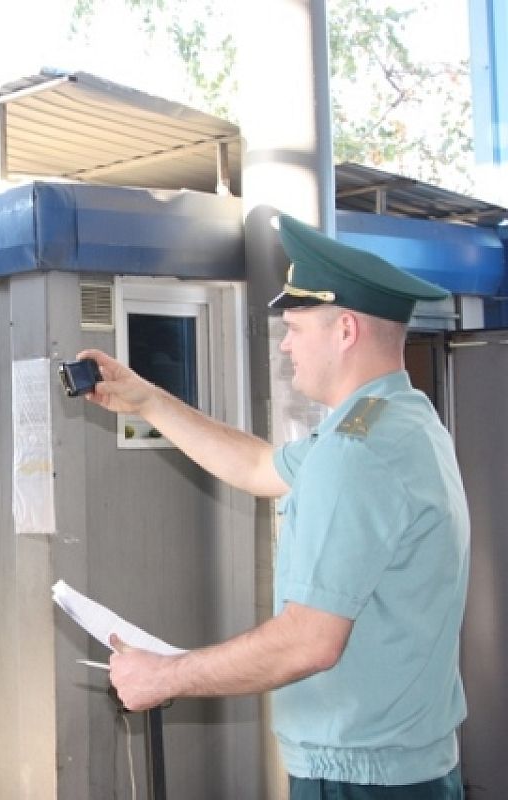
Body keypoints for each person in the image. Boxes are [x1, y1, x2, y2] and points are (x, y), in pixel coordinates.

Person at [78, 214, 469, 799]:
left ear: (344, 330)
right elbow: (261, 468)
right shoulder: (399, 421)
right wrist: (148, 400)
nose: (285, 345)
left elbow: (309, 641)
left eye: (294, 328)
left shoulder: (355, 454)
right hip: (402, 764)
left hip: (356, 777)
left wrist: (164, 676)